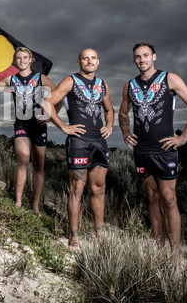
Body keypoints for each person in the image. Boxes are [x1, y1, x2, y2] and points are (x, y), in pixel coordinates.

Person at [118, 43, 187, 266]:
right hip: (142, 151)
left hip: (165, 151)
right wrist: (126, 132)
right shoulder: (130, 85)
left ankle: (174, 257)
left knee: (169, 199)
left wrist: (183, 138)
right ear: (134, 60)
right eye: (137, 57)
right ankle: (159, 250)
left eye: (146, 55)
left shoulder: (170, 79)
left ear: (154, 57)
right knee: (152, 197)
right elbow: (122, 112)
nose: (142, 59)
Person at [43, 48, 113, 252]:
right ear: (79, 62)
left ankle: (99, 233)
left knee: (99, 188)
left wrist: (109, 126)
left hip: (99, 142)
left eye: (93, 58)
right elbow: (47, 103)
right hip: (79, 142)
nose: (89, 61)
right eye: (85, 58)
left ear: (97, 62)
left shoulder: (103, 85)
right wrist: (63, 127)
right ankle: (74, 235)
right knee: (77, 190)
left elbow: (109, 109)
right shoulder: (70, 81)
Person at [0, 47, 56, 215]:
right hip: (21, 125)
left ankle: (36, 205)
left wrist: (50, 116)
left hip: (39, 124)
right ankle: (18, 202)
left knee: (38, 166)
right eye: (18, 58)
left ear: (31, 60)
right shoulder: (11, 79)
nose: (22, 60)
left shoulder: (40, 78)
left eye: (25, 57)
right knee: (23, 159)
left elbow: (58, 94)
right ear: (15, 61)